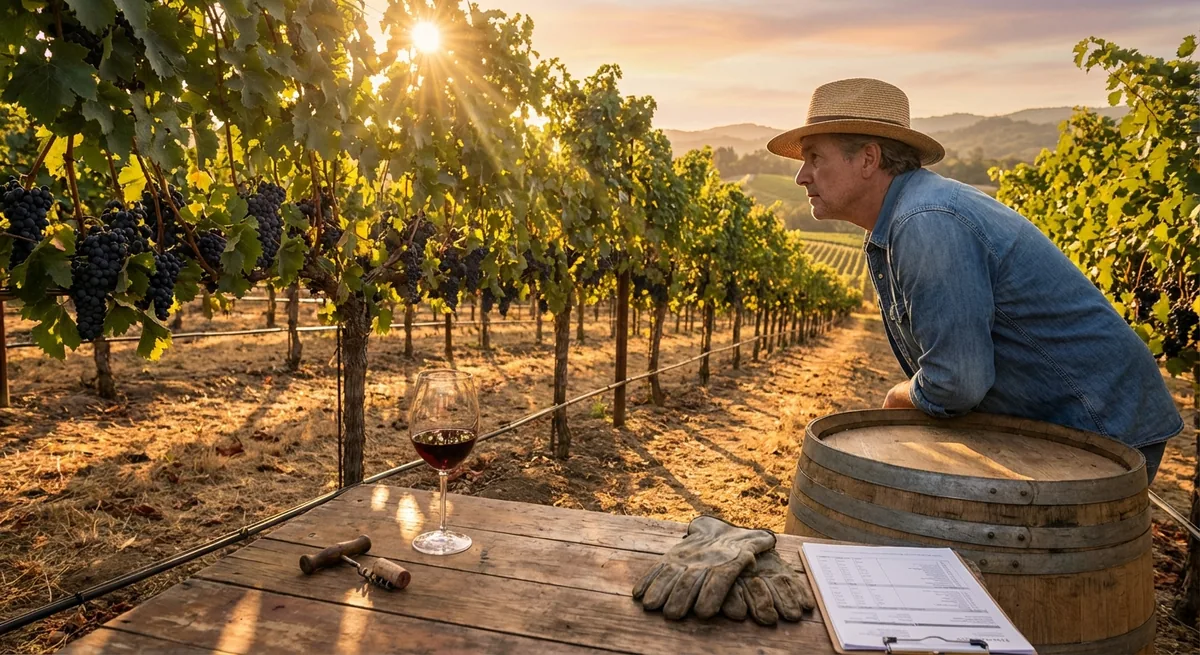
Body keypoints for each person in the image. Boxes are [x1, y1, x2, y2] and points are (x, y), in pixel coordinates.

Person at [765, 78, 1182, 483]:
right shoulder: (908, 217)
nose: (802, 176)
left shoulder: (925, 222)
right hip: (1073, 421)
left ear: (869, 159)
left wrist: (898, 398)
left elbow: (956, 383)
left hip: (1098, 426)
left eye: (815, 157)